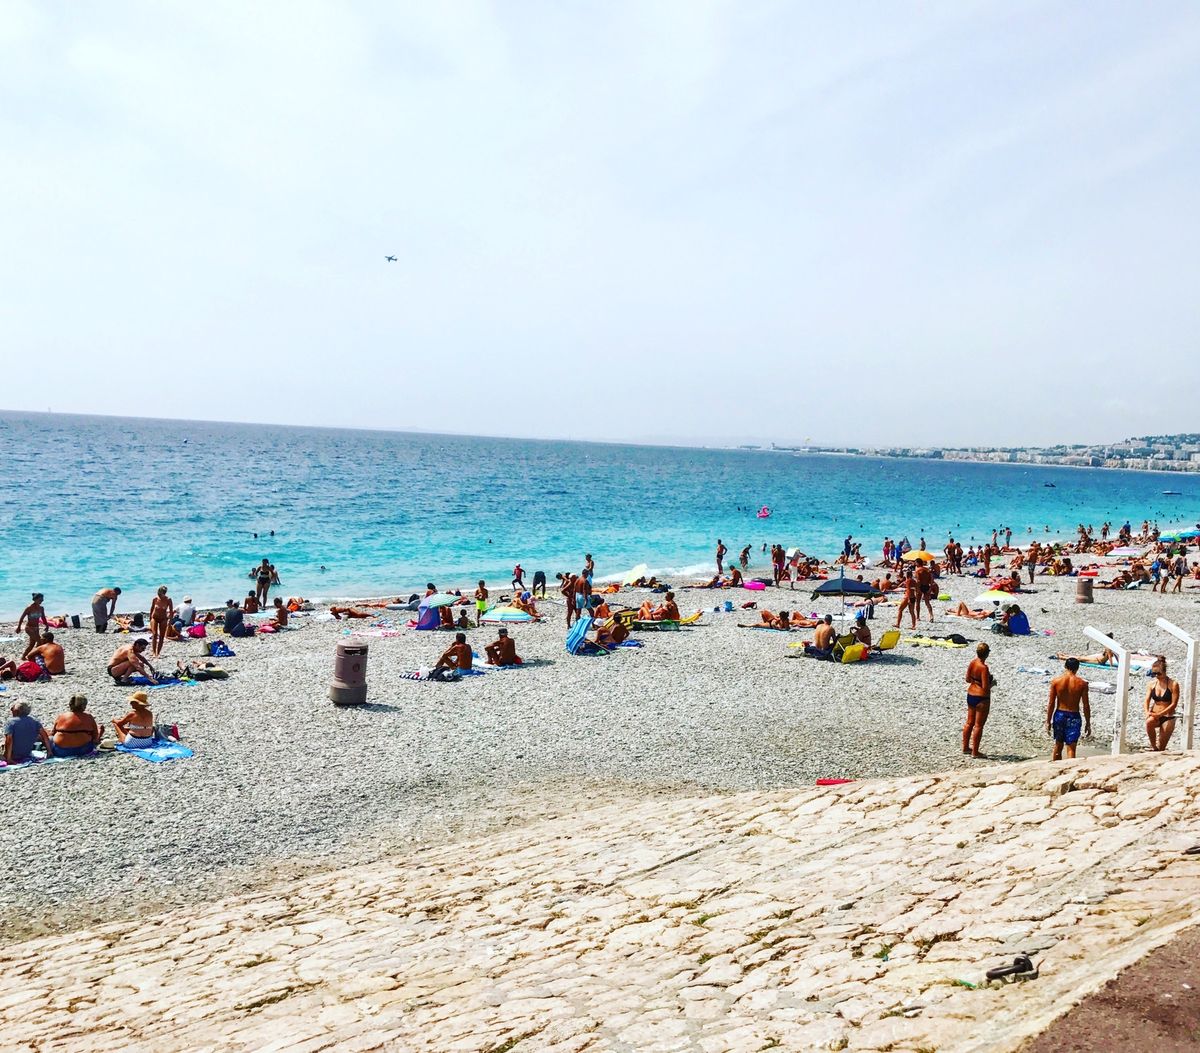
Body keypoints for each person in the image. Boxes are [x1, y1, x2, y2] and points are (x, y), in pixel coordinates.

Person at [1046, 658, 1091, 761]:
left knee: (1058, 745)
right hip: (1074, 716)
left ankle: (1055, 771)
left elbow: (1051, 703)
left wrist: (1048, 721)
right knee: (1071, 748)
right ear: (1077, 668)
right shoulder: (1082, 684)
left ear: (1065, 666)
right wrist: (1088, 722)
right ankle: (1070, 771)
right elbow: (1086, 705)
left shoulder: (1056, 682)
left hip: (1059, 715)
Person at [963, 642, 994, 758]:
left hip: (971, 694)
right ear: (987, 654)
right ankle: (975, 752)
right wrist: (993, 683)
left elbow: (967, 679)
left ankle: (965, 747)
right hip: (981, 698)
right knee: (978, 725)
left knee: (969, 722)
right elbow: (985, 687)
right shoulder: (984, 668)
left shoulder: (973, 663)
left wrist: (975, 681)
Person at [1144, 657, 1180, 752]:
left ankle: (1159, 750)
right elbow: (1147, 700)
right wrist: (1147, 711)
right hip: (1155, 714)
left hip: (1168, 716)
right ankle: (1153, 746)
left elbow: (1173, 704)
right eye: (1154, 673)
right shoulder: (1152, 684)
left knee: (1162, 746)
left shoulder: (1173, 684)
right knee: (1148, 723)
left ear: (1164, 672)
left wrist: (1160, 714)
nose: (1156, 676)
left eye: (1159, 673)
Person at [16, 594, 46, 659]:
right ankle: (32, 656)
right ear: (35, 599)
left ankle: (23, 656)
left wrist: (47, 625)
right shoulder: (29, 608)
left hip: (36, 628)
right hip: (29, 628)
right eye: (40, 599)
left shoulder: (41, 608)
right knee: (40, 641)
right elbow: (22, 617)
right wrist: (19, 627)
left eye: (42, 599)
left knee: (32, 644)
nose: (42, 601)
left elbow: (43, 617)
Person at [148, 585, 174, 658]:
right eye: (158, 593)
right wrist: (150, 619)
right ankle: (153, 652)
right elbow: (151, 609)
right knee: (155, 634)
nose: (159, 595)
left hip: (163, 619)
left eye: (160, 593)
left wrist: (170, 621)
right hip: (155, 618)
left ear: (164, 593)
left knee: (162, 636)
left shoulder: (168, 600)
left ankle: (158, 652)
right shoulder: (155, 599)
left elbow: (171, 611)